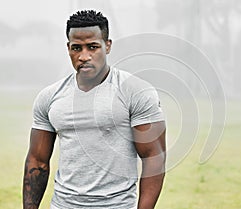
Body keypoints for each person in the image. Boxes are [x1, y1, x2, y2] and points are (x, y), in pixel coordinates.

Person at [22, 10, 166, 209]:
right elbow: (37, 161)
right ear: (68, 48)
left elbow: (153, 159)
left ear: (107, 46)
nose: (84, 56)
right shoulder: (50, 96)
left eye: (92, 47)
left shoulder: (135, 91)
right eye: (76, 48)